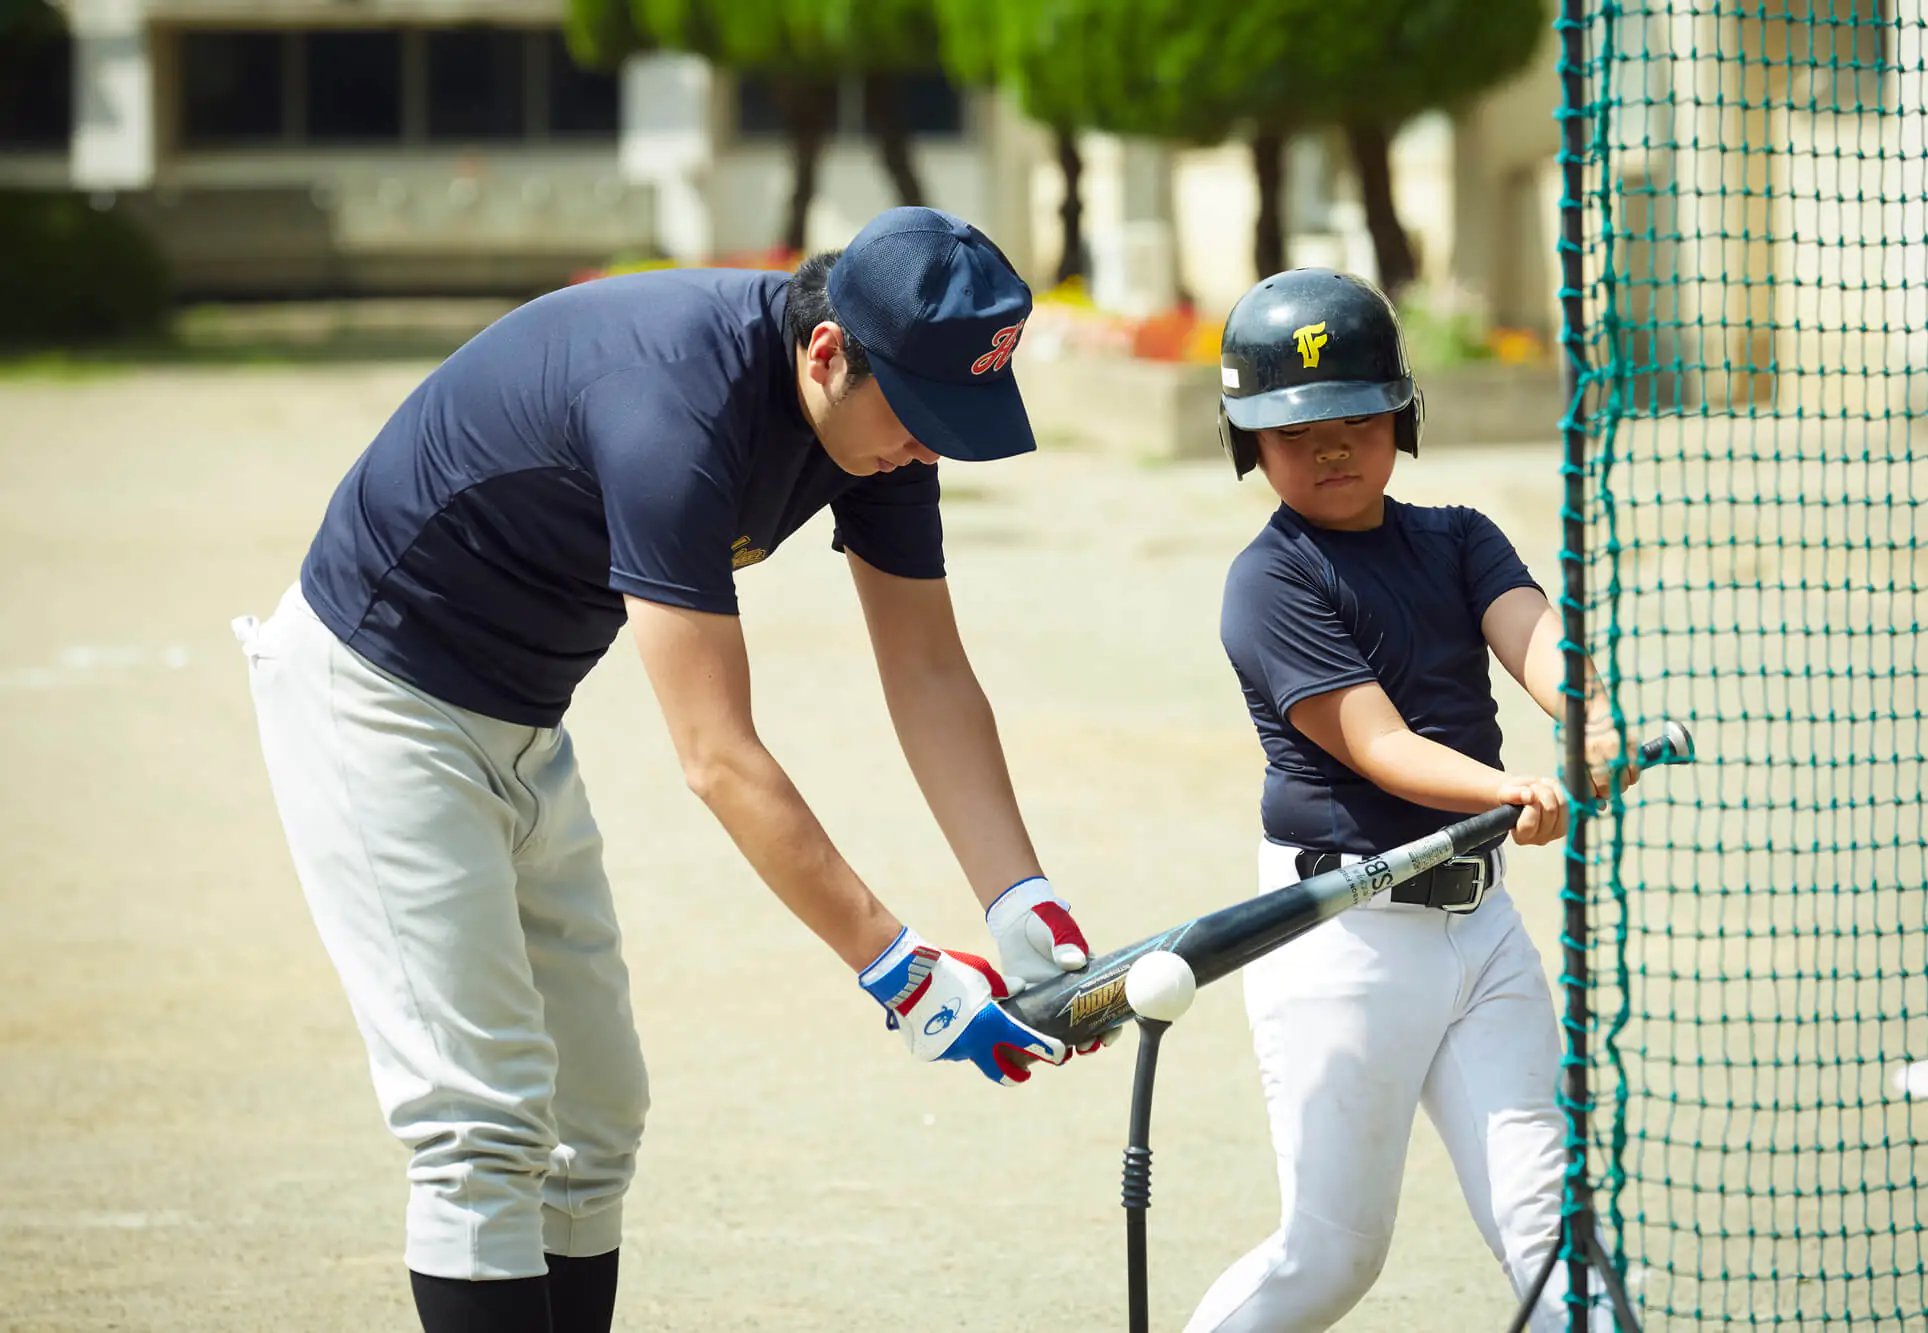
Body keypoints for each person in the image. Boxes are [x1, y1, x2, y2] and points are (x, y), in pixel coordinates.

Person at [232, 207, 1101, 1333]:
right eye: (925, 416)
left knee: (597, 1115)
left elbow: (928, 671)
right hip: (374, 704)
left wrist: (1015, 894)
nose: (929, 447)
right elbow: (716, 755)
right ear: (828, 351)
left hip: (520, 719)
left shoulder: (876, 430)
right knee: (482, 1124)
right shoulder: (672, 405)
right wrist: (898, 968)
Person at [1184, 269, 1632, 1333]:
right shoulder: (1268, 580)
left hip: (1478, 925)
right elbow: (1380, 745)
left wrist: (1589, 720)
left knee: (1547, 1229)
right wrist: (1512, 784)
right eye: (1297, 432)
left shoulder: (1457, 537)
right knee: (1330, 1257)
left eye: (1355, 416)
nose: (1332, 446)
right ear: (1249, 442)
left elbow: (1534, 637)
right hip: (1343, 938)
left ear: (1400, 414)